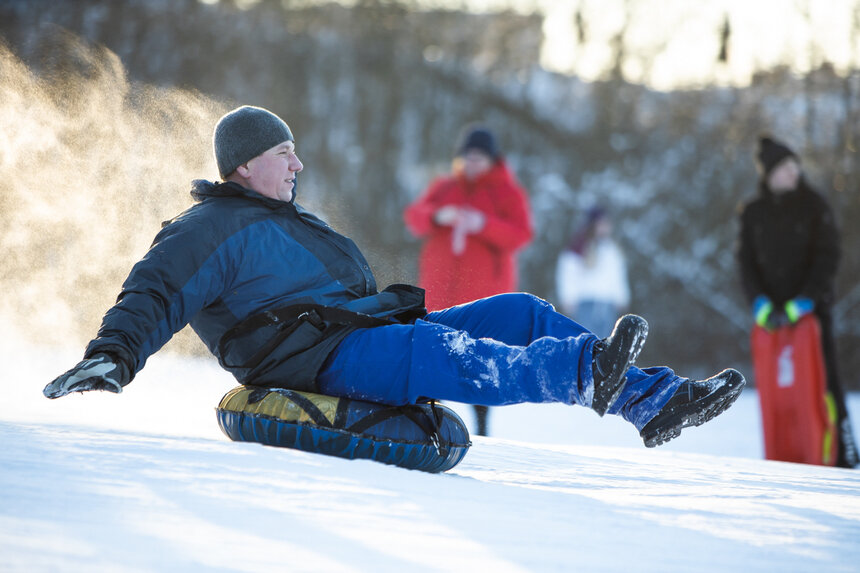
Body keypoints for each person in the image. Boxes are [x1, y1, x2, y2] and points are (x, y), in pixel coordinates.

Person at [44, 105, 746, 451]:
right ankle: (585, 372)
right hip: (314, 357)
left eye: (296, 154)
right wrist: (114, 352)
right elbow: (157, 287)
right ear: (246, 162)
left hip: (364, 329)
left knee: (520, 311)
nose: (297, 165)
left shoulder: (292, 219)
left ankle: (651, 401)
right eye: (285, 153)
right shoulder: (209, 227)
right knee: (443, 356)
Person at [403, 125, 533, 436]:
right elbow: (414, 218)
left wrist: (485, 225)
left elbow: (520, 234)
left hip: (484, 293)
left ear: (492, 159)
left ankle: (482, 428)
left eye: (479, 158)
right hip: (440, 290)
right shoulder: (445, 187)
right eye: (468, 157)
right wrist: (437, 215)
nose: (472, 163)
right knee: (432, 354)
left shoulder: (508, 193)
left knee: (479, 360)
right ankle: (425, 421)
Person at [737, 135, 858, 468]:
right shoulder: (753, 212)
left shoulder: (814, 206)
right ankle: (786, 456)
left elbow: (828, 257)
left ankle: (843, 456)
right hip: (771, 318)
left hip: (811, 314)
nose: (794, 173)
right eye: (786, 168)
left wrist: (805, 301)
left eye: (795, 167)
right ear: (770, 174)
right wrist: (759, 303)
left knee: (825, 385)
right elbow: (745, 263)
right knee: (780, 394)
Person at [556, 206, 630, 338]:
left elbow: (617, 273)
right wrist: (568, 297)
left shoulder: (611, 248)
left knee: (606, 340)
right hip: (585, 302)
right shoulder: (578, 247)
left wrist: (621, 296)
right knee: (587, 339)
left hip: (607, 303)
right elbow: (567, 273)